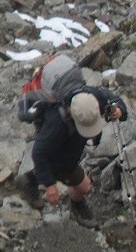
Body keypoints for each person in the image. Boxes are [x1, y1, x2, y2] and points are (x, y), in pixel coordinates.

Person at [16, 88, 128, 228]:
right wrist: (50, 186)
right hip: (61, 150)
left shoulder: (93, 97)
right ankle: (75, 205)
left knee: (66, 171)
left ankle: (29, 180)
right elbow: (39, 153)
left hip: (72, 146)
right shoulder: (56, 123)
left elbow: (114, 99)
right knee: (82, 184)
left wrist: (120, 110)